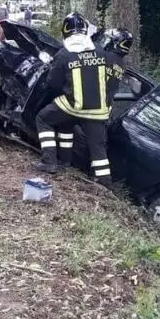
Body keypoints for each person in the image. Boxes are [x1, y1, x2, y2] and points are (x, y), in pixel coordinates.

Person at [34, 12, 119, 188]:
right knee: (98, 147)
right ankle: (105, 185)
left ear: (66, 30)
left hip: (73, 106)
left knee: (43, 118)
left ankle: (50, 161)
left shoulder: (64, 54)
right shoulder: (101, 52)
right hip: (98, 110)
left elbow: (53, 82)